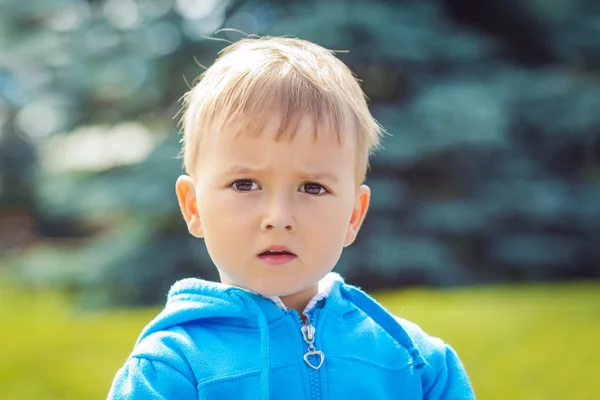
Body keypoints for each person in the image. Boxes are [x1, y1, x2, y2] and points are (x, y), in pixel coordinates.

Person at [107, 36, 474, 399]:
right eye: (245, 184)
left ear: (353, 215)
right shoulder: (168, 371)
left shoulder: (417, 366)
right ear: (193, 207)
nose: (278, 218)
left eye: (312, 188)